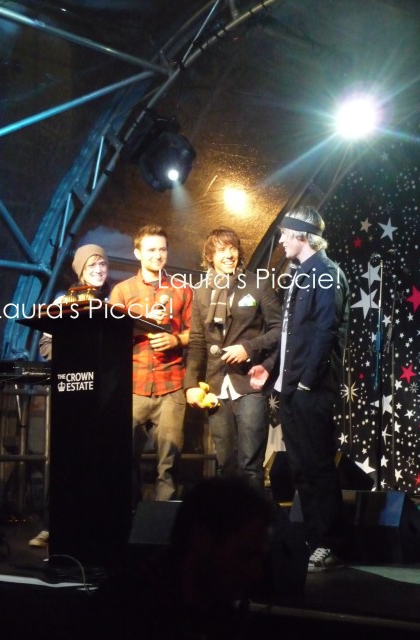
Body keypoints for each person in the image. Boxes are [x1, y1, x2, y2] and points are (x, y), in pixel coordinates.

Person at [97, 475, 275, 640]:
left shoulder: (218, 616)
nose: (256, 573)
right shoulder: (123, 607)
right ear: (202, 539)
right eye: (246, 555)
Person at [273, 205, 350, 572]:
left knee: (318, 466)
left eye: (285, 234)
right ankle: (314, 537)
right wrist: (274, 373)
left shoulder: (326, 273)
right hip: (291, 386)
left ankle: (331, 543)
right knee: (300, 466)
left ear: (302, 235)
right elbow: (291, 334)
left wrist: (305, 381)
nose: (281, 241)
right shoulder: (299, 274)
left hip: (311, 388)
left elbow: (325, 330)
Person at [184, 227, 281, 488]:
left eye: (232, 248)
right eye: (221, 250)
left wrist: (248, 348)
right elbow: (197, 342)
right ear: (209, 256)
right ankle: (229, 515)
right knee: (226, 464)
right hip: (216, 386)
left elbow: (280, 330)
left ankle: (256, 515)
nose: (229, 255)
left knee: (250, 465)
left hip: (249, 383)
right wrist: (191, 384)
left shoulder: (257, 284)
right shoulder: (201, 291)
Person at [29, 243, 110, 548]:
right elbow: (46, 345)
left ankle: (96, 527)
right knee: (64, 458)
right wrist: (74, 355)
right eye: (92, 265)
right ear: (79, 270)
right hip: (70, 390)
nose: (99, 270)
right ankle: (53, 526)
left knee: (100, 461)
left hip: (105, 395)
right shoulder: (63, 301)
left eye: (102, 264)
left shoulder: (114, 301)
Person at [109, 225, 193, 504]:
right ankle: (128, 517)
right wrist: (143, 322)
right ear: (137, 253)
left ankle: (163, 522)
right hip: (133, 386)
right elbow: (111, 336)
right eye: (151, 250)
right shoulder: (122, 291)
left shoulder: (182, 289)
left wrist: (175, 340)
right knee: (122, 459)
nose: (158, 255)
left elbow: (196, 333)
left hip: (172, 386)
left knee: (169, 464)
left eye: (162, 249)